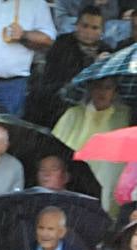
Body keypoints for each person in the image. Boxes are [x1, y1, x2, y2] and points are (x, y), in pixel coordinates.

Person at [25, 5, 110, 128]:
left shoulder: (106, 50)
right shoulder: (62, 44)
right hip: (54, 105)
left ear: (102, 31)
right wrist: (93, 65)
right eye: (84, 26)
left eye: (94, 28)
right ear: (77, 26)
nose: (89, 32)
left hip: (88, 110)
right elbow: (61, 77)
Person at [53, 77, 129, 214]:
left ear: (115, 91)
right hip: (77, 177)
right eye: (98, 86)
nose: (102, 92)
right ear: (90, 89)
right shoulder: (73, 114)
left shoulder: (125, 116)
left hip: (110, 177)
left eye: (108, 87)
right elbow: (55, 145)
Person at [55, 0, 132, 49]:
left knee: (126, 26)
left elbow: (113, 14)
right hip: (76, 28)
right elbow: (61, 20)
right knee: (67, 28)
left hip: (106, 29)